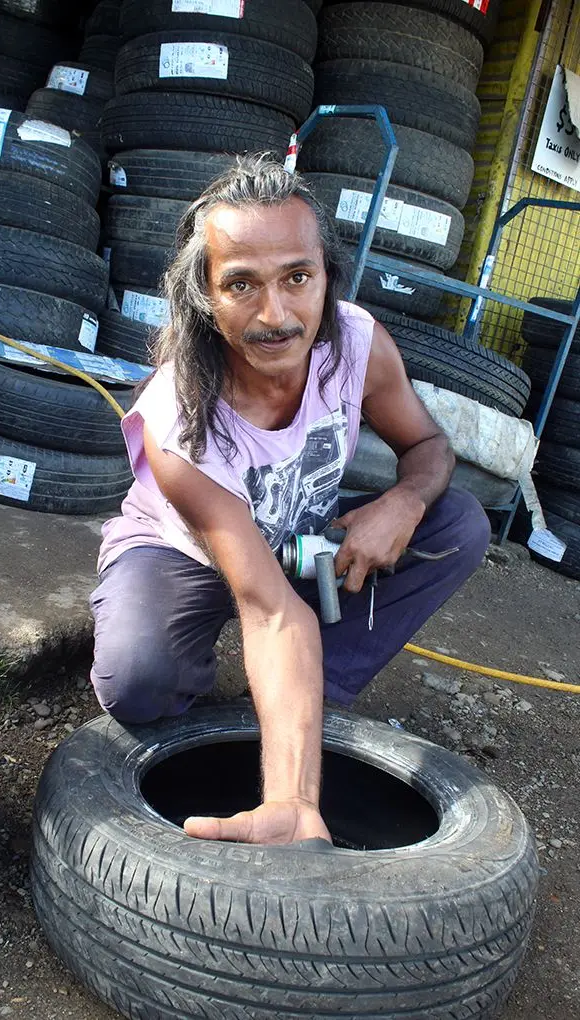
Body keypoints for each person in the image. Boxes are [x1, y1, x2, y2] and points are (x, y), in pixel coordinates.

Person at [90, 155, 491, 847]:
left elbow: (429, 446)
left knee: (455, 523)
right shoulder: (177, 418)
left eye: (297, 278)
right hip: (185, 555)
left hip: (299, 541)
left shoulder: (357, 344)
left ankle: (310, 696)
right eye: (240, 284)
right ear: (205, 301)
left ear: (326, 278)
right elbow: (270, 608)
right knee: (137, 683)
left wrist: (403, 501)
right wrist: (296, 805)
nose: (276, 315)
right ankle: (226, 703)